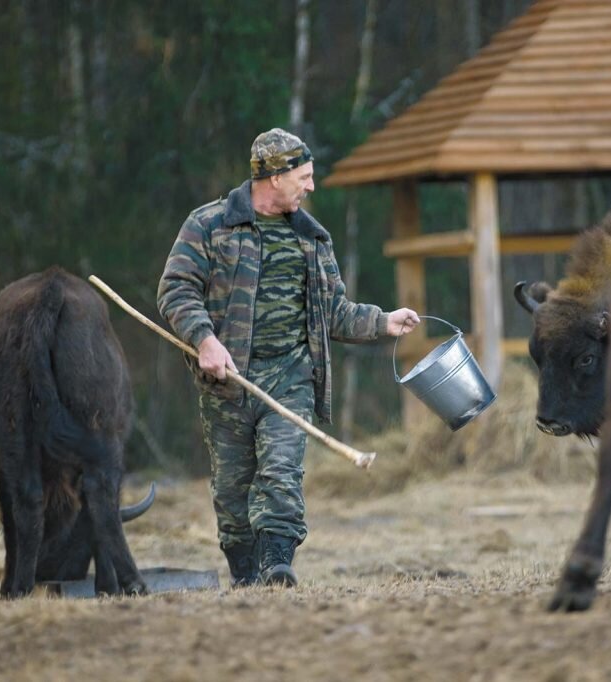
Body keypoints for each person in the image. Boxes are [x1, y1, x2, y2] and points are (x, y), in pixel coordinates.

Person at [157, 128, 420, 588]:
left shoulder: (313, 239)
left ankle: (278, 565)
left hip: (291, 376)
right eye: (305, 176)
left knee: (281, 471)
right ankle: (245, 575)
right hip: (228, 384)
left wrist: (383, 322)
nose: (311, 186)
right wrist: (204, 340)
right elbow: (175, 290)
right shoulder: (209, 225)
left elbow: (335, 313)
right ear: (274, 177)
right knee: (232, 494)